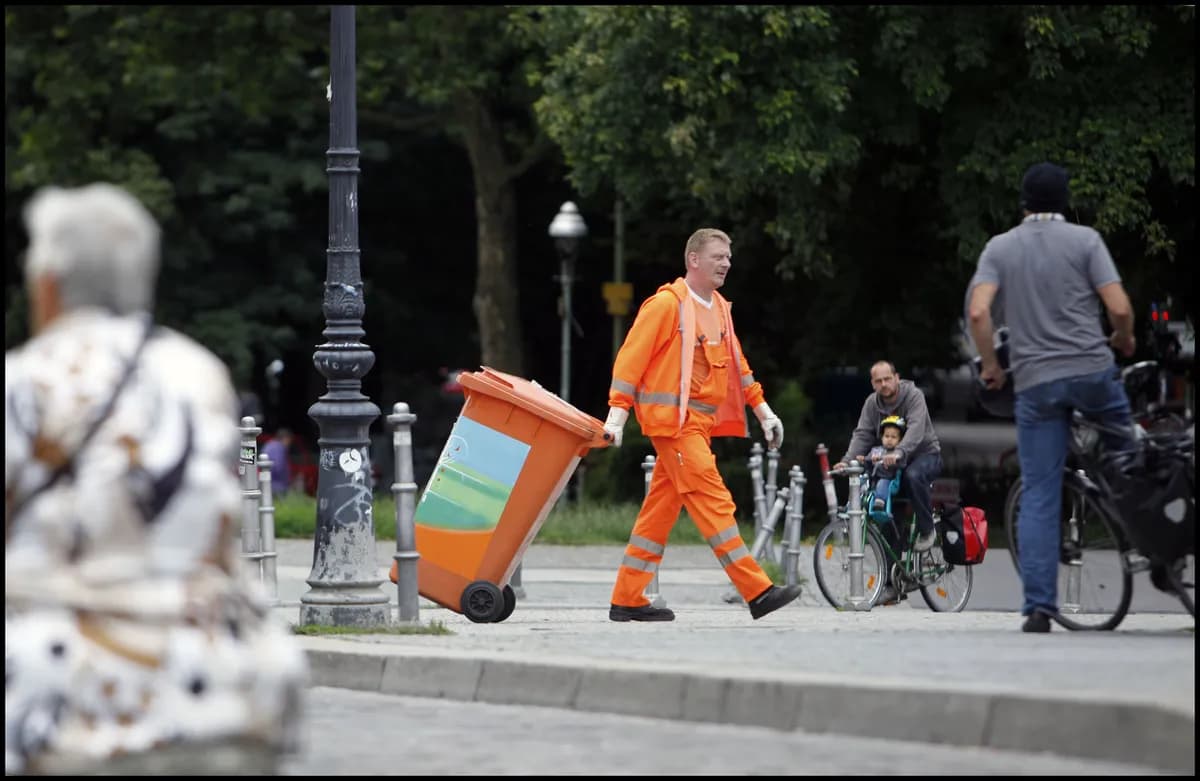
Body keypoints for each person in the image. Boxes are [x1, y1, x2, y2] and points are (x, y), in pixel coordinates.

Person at [5, 183, 306, 774]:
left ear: (47, 286)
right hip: (222, 684)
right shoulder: (199, 374)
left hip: (67, 693)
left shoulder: (27, 380)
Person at [966, 161, 1137, 633]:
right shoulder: (1086, 242)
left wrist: (992, 366)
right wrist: (1123, 339)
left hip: (1037, 384)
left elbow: (980, 314)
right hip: (1092, 372)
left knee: (1040, 492)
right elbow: (1119, 307)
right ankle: (1152, 545)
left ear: (1024, 203)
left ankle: (1039, 609)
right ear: (1064, 202)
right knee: (1131, 461)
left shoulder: (1000, 248)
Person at [601, 228, 802, 622]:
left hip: (698, 426)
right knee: (713, 501)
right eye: (718, 256)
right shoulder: (666, 306)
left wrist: (764, 412)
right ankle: (757, 590)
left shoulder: (720, 309)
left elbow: (739, 367)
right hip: (674, 427)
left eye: (728, 256)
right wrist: (616, 415)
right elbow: (630, 362)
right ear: (693, 260)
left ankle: (627, 596)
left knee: (658, 513)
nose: (726, 262)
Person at [832, 361, 943, 605]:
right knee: (884, 511)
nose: (883, 384)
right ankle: (893, 583)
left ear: (896, 377)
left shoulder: (913, 396)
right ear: (873, 383)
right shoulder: (872, 404)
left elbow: (916, 429)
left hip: (924, 456)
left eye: (887, 379)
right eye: (878, 381)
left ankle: (927, 530)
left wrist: (900, 452)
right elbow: (863, 434)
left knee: (914, 477)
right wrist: (847, 460)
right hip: (890, 463)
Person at [868, 415, 907, 514]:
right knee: (858, 482)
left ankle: (880, 502)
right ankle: (850, 505)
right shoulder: (876, 450)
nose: (889, 439)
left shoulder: (898, 453)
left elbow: (902, 464)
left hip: (890, 481)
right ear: (882, 437)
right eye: (886, 436)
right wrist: (864, 459)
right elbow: (868, 458)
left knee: (882, 483)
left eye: (893, 437)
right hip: (872, 479)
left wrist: (895, 461)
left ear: (900, 440)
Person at [262, 428, 294, 496]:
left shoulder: (269, 444)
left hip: (266, 483)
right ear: (285, 438)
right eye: (289, 440)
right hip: (277, 486)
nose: (290, 443)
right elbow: (279, 467)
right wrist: (286, 482)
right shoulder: (279, 448)